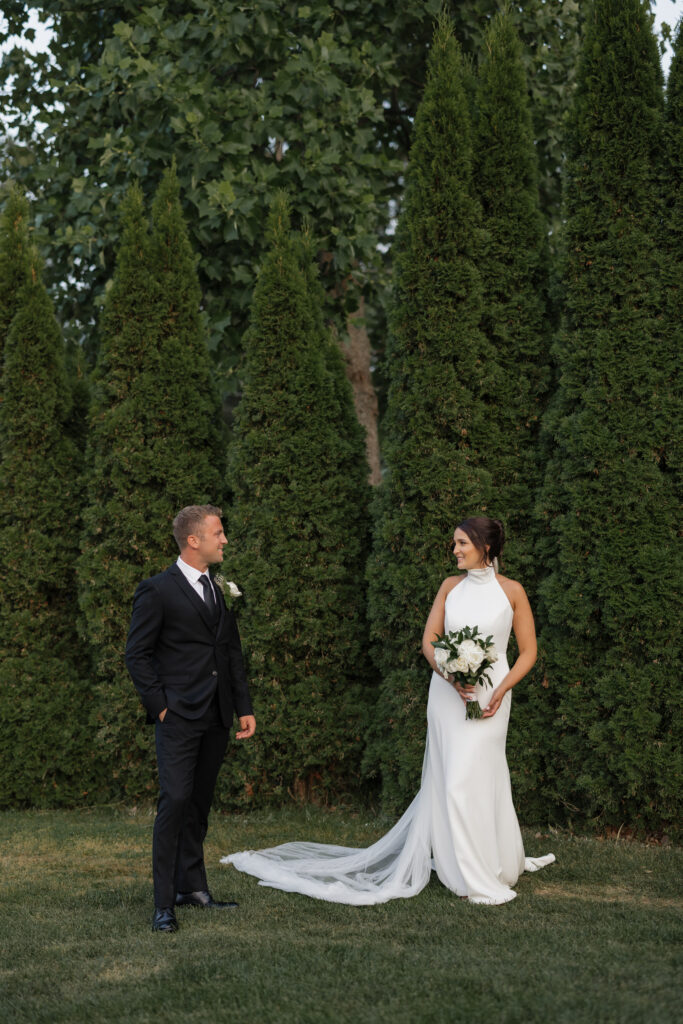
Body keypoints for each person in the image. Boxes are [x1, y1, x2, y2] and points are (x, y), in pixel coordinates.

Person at [222, 516, 553, 905]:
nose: (455, 550)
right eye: (454, 543)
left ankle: (495, 862)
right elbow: (430, 641)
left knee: (482, 774)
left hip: (492, 694)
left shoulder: (512, 591)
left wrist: (501, 689)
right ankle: (469, 873)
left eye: (462, 543)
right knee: (453, 779)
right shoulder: (449, 586)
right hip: (448, 694)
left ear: (486, 547)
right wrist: (449, 674)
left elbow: (528, 651)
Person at [126, 504, 256, 932]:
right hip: (179, 716)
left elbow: (229, 652)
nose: (225, 540)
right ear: (193, 540)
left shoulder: (218, 588)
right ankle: (164, 903)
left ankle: (193, 888)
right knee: (175, 802)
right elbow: (137, 655)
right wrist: (161, 705)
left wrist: (243, 707)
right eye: (218, 533)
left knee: (198, 805)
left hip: (217, 714)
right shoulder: (157, 590)